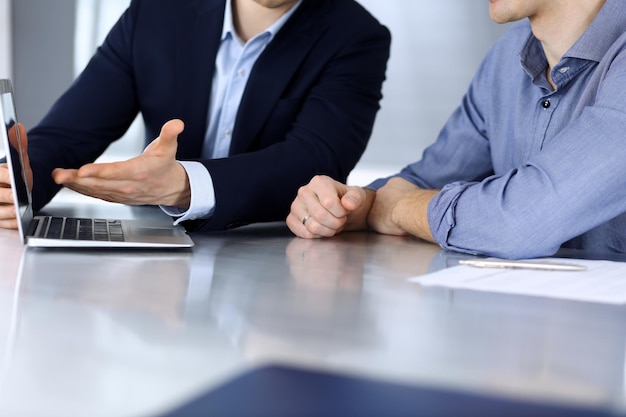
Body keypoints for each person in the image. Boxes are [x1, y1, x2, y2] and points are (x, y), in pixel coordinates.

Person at [0, 0, 390, 232]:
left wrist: (188, 185)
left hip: (273, 257)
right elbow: (70, 132)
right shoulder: (156, 11)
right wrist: (20, 180)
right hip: (152, 256)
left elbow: (316, 157)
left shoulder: (356, 37)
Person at [288, 0, 626, 260]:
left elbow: (520, 221)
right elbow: (426, 179)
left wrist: (397, 209)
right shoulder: (507, 58)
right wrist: (352, 205)